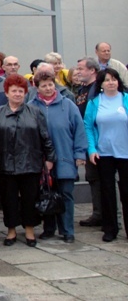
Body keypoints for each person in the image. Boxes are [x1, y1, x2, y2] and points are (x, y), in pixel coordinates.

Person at [0, 74, 56, 247]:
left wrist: (50, 158)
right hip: (5, 165)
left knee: (30, 198)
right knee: (8, 199)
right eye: (14, 91)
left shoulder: (35, 112)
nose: (17, 94)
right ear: (6, 93)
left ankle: (29, 229)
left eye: (20, 91)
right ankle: (11, 230)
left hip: (30, 163)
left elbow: (45, 137)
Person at [30, 70, 86, 243]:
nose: (48, 88)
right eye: (44, 85)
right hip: (41, 161)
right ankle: (49, 228)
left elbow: (79, 130)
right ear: (37, 87)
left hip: (65, 157)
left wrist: (80, 153)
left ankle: (67, 230)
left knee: (66, 194)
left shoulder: (68, 105)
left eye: (50, 84)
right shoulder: (31, 106)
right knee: (46, 193)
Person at [83, 68, 128, 242]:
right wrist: (92, 149)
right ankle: (110, 229)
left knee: (126, 191)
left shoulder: (125, 99)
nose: (111, 82)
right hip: (104, 153)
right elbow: (88, 126)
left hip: (125, 152)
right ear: (101, 84)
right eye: (107, 80)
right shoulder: (94, 103)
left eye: (114, 79)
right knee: (107, 192)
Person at [75, 56, 103, 227]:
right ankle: (98, 213)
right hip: (87, 140)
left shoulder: (99, 89)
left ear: (92, 70)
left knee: (103, 179)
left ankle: (107, 215)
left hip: (99, 142)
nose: (77, 72)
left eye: (81, 69)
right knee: (92, 178)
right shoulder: (81, 89)